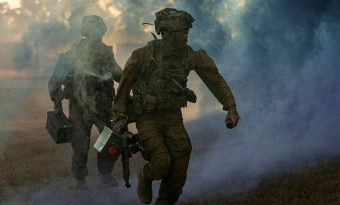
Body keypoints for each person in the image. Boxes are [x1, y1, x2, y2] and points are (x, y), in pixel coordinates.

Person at [112, 8, 239, 204]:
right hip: (148, 118)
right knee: (162, 164)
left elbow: (214, 79)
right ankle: (145, 175)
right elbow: (124, 87)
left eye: (186, 31)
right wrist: (120, 116)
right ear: (166, 32)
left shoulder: (190, 56)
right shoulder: (142, 55)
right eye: (181, 31)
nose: (185, 35)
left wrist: (230, 106)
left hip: (173, 117)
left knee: (179, 169)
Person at [48, 15, 122, 188]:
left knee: (110, 141)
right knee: (80, 146)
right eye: (93, 32)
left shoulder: (106, 54)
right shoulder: (71, 55)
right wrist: (57, 102)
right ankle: (80, 179)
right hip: (79, 107)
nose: (96, 36)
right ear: (86, 32)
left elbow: (119, 74)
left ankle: (105, 174)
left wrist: (131, 80)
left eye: (99, 32)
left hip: (103, 106)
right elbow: (55, 80)